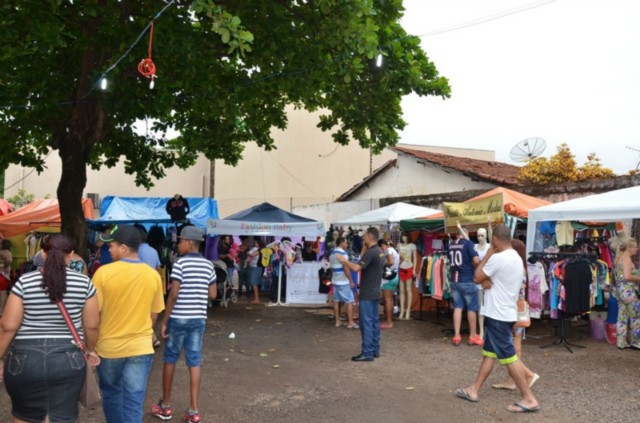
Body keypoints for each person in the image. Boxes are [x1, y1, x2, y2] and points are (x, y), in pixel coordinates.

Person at [0, 235, 100, 423]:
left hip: (25, 359)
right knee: (61, 417)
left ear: (43, 254)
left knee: (24, 416)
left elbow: (8, 326)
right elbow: (92, 325)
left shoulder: (25, 282)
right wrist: (89, 350)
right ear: (71, 255)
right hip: (67, 358)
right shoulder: (84, 283)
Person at [455, 225, 539, 414]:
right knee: (489, 353)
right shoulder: (516, 258)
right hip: (505, 312)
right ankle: (474, 389)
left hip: (498, 314)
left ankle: (529, 397)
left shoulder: (498, 258)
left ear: (494, 240)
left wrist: (488, 254)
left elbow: (477, 276)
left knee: (509, 358)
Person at [91, 225, 165, 423]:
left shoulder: (103, 274)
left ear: (124, 248)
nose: (108, 249)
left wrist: (91, 346)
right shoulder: (153, 275)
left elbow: (93, 315)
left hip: (109, 348)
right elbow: (154, 314)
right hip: (140, 347)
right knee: (133, 400)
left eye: (112, 246)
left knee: (111, 393)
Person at [152, 226, 217, 423]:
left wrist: (164, 321)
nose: (177, 244)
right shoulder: (208, 265)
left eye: (180, 241)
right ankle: (194, 411)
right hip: (198, 320)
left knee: (170, 358)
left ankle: (166, 407)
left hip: (178, 319)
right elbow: (213, 295)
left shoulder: (180, 264)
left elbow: (173, 294)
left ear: (189, 243)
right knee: (194, 361)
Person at [492, 239, 540, 391]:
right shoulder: (522, 268)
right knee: (515, 345)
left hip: (512, 309)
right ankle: (513, 378)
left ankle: (525, 374)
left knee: (509, 346)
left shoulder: (516, 268)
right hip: (519, 309)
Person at [337, 227, 385, 362]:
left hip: (368, 293)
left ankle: (368, 352)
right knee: (374, 322)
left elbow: (357, 267)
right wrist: (364, 246)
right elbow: (363, 259)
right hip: (374, 292)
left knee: (366, 323)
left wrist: (344, 260)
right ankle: (375, 349)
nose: (363, 237)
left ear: (369, 237)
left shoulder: (372, 253)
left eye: (364, 236)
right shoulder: (379, 252)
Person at [449, 224, 482, 346]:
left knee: (458, 307)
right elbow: (476, 260)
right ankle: (473, 335)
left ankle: (457, 335)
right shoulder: (468, 244)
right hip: (467, 279)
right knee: (472, 308)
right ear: (465, 234)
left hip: (454, 280)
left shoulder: (451, 244)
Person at [613, 237, 640, 349]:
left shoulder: (619, 258)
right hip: (629, 291)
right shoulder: (627, 259)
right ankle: (636, 342)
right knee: (635, 317)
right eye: (635, 247)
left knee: (622, 317)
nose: (637, 249)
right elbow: (627, 276)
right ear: (629, 248)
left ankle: (621, 342)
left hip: (620, 291)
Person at [330, 237, 358, 329]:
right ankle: (350, 322)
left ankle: (337, 321)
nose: (347, 245)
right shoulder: (343, 254)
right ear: (342, 243)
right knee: (349, 301)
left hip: (335, 280)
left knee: (336, 301)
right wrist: (351, 280)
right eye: (346, 243)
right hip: (343, 281)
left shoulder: (332, 254)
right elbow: (346, 268)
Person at [378, 239, 399, 329]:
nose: (381, 250)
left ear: (382, 245)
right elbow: (400, 259)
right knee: (390, 299)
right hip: (395, 276)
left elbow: (390, 262)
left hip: (388, 278)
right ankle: (390, 318)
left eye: (380, 248)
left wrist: (384, 265)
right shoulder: (394, 250)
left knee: (387, 300)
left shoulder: (388, 250)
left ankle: (389, 321)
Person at [397, 233, 417, 320]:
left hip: (409, 267)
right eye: (402, 236)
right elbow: (397, 257)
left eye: (405, 236)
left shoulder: (412, 246)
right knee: (401, 290)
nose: (403, 237)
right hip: (401, 267)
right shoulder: (399, 245)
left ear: (408, 237)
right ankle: (402, 310)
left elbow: (415, 258)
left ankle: (408, 310)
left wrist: (414, 269)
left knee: (408, 289)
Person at [246, 238, 265, 305]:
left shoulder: (260, 250)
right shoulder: (258, 249)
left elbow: (252, 255)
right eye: (255, 243)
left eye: (256, 243)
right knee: (254, 283)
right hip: (254, 267)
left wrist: (249, 252)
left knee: (254, 283)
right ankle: (256, 298)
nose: (255, 244)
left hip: (256, 267)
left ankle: (257, 299)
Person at [0, 239, 13, 315]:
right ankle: (2, 311)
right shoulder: (7, 252)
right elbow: (9, 260)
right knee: (3, 292)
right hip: (3, 274)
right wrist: (4, 266)